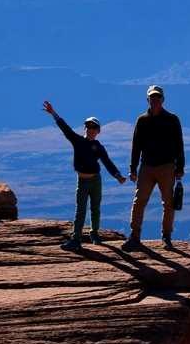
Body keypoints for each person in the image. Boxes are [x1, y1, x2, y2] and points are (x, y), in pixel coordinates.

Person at [42, 100, 127, 250]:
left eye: (94, 127)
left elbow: (107, 162)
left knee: (95, 208)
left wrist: (118, 176)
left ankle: (95, 235)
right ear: (85, 128)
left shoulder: (98, 147)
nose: (90, 129)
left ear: (98, 131)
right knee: (80, 210)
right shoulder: (78, 141)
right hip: (82, 181)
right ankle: (76, 240)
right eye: (88, 126)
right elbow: (65, 128)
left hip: (95, 180)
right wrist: (53, 113)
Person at [122, 85, 184, 251]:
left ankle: (166, 237)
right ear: (147, 100)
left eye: (157, 97)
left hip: (167, 167)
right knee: (139, 201)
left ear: (162, 99)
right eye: (152, 97)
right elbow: (136, 146)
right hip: (147, 167)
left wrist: (180, 167)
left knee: (168, 203)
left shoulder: (172, 120)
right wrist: (133, 168)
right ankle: (134, 236)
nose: (155, 100)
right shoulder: (142, 120)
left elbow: (179, 145)